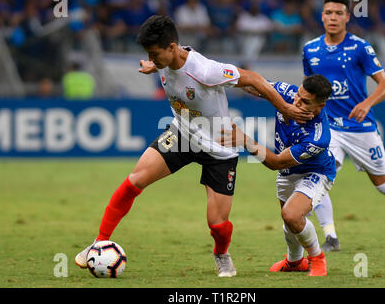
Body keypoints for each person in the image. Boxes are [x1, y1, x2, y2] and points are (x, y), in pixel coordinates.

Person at [75, 15, 314, 277]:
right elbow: (167, 65)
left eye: (155, 54)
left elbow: (255, 79)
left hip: (219, 147)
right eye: (149, 54)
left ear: (172, 47)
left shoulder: (205, 70)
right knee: (134, 181)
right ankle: (98, 242)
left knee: (217, 223)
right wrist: (154, 65)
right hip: (182, 135)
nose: (152, 59)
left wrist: (285, 108)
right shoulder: (163, 60)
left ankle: (222, 255)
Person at [302, 0, 385, 251]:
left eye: (339, 13)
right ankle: (331, 237)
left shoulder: (360, 47)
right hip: (329, 127)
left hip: (360, 128)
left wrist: (366, 103)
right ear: (322, 16)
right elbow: (309, 89)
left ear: (348, 17)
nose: (333, 18)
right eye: (328, 13)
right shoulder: (310, 49)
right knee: (316, 178)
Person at [220, 75, 335, 276]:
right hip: (287, 173)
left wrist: (245, 140)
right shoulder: (288, 92)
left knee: (291, 214)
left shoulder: (318, 137)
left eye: (306, 102)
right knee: (290, 222)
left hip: (315, 172)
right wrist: (216, 76)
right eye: (299, 95)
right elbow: (253, 85)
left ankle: (317, 258)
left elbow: (276, 162)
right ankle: (294, 262)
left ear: (320, 106)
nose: (296, 102)